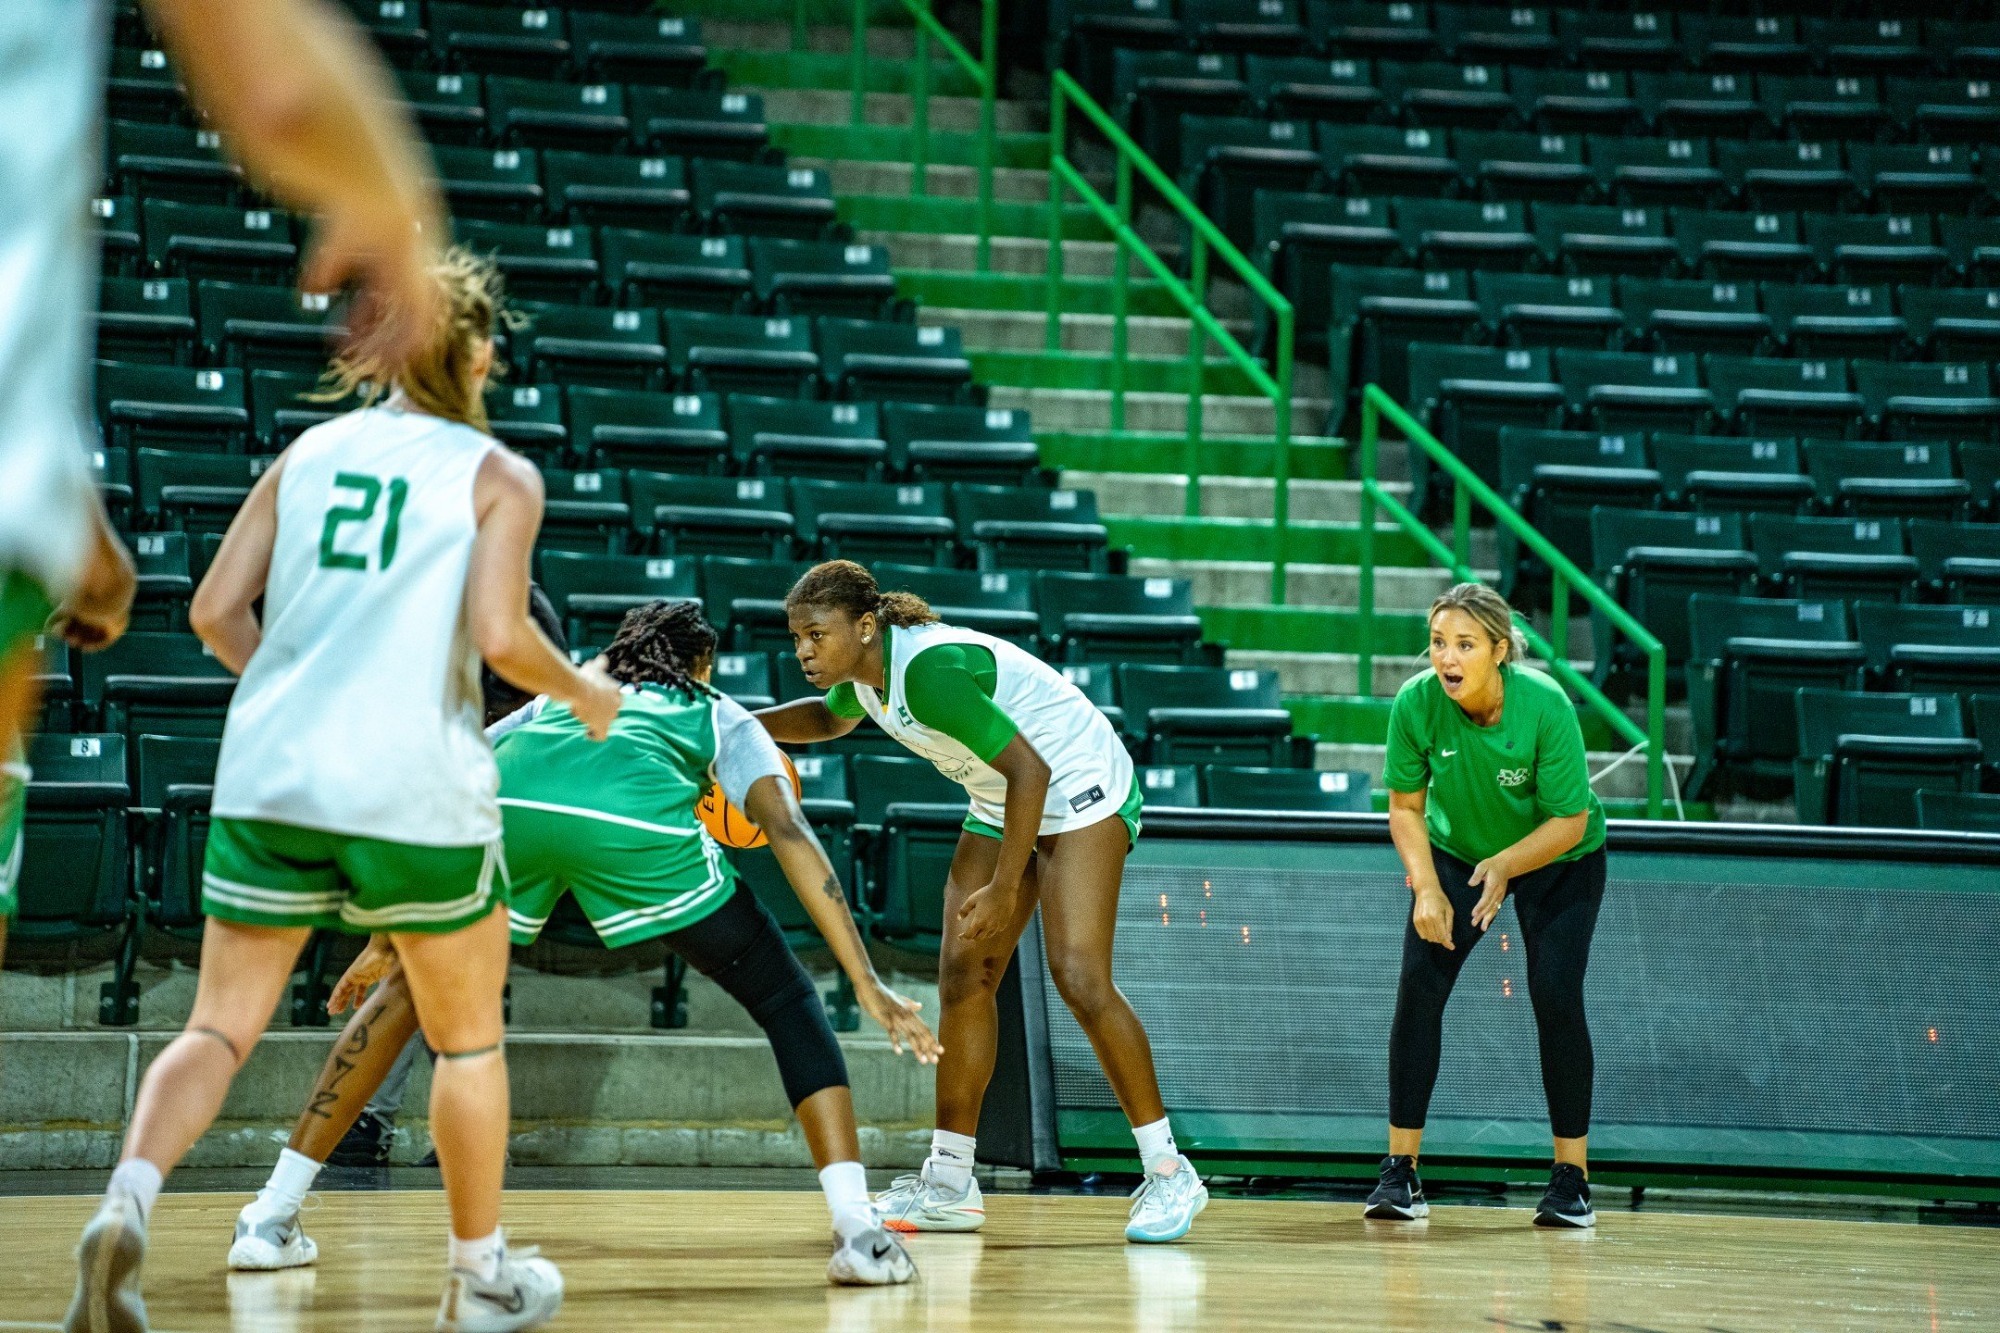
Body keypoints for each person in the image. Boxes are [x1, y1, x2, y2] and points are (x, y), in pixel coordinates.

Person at [64, 246, 625, 1333]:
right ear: (466, 354)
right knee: (466, 1039)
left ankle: (124, 1207)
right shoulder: (498, 473)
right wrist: (585, 693)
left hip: (272, 764)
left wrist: (295, 685)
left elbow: (214, 614)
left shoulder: (310, 451)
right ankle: (481, 1278)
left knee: (218, 1028)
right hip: (414, 772)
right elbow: (506, 636)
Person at [228, 599, 941, 1286]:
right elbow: (791, 834)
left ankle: (269, 1217)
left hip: (508, 807)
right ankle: (858, 1232)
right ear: (701, 666)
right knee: (786, 996)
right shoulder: (714, 710)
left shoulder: (561, 692)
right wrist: (866, 980)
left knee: (406, 995)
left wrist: (391, 935)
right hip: (630, 830)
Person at [760, 560, 1207, 1244]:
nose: (804, 651)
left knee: (1079, 975)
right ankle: (950, 1181)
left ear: (866, 625)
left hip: (1077, 781)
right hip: (1006, 794)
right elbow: (827, 720)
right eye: (797, 638)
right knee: (964, 977)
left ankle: (1170, 1170)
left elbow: (1033, 768)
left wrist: (1004, 883)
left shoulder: (929, 674)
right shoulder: (864, 679)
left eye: (817, 634)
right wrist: (740, 725)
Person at [1366, 582, 1608, 1230]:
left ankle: (1571, 1179)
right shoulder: (1417, 704)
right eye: (1439, 642)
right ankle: (1401, 1171)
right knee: (1419, 985)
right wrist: (1427, 886)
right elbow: (1405, 808)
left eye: (1465, 643)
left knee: (1555, 993)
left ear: (1500, 650)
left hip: (1559, 856)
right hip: (1458, 851)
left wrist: (1506, 865)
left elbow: (1569, 817)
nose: (1447, 656)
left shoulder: (1545, 706)